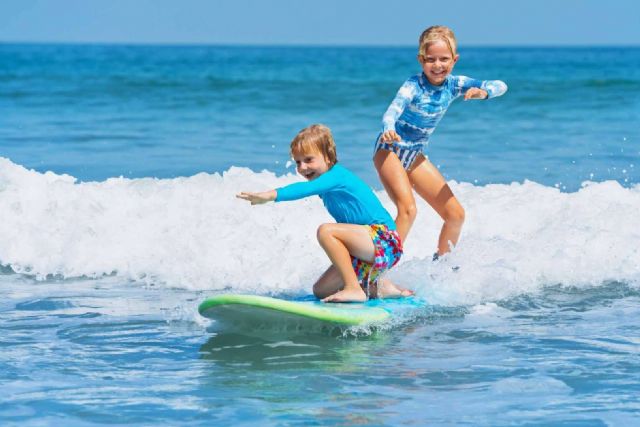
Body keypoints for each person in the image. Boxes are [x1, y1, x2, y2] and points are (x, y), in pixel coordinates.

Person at [373, 25, 508, 259]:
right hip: (390, 150)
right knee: (408, 211)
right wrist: (389, 129)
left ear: (454, 60)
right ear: (420, 59)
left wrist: (483, 93)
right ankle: (374, 270)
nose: (437, 65)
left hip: (414, 156)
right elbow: (392, 110)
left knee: (455, 215)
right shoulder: (413, 85)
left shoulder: (455, 84)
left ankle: (441, 269)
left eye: (444, 59)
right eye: (430, 59)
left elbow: (500, 85)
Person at [237, 124, 413, 303]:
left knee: (326, 231)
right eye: (298, 162)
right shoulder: (325, 184)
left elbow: (305, 189)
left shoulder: (336, 176)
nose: (303, 167)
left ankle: (354, 289)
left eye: (309, 160)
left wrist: (270, 195)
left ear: (328, 157)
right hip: (365, 248)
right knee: (321, 290)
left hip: (385, 240)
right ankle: (381, 288)